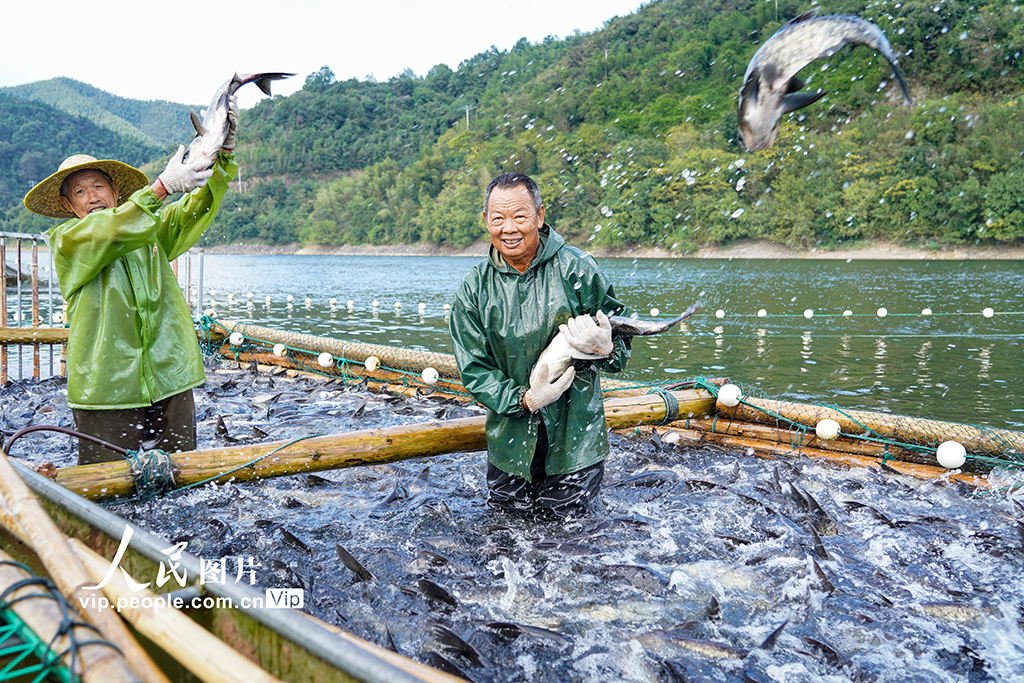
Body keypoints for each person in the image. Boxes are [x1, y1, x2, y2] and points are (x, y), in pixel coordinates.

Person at [23, 100, 240, 465]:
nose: (92, 196)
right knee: (105, 487)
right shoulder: (67, 241)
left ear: (116, 192)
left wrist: (222, 155)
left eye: (98, 186)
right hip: (105, 386)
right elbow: (108, 231)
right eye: (79, 192)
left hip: (169, 375)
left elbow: (196, 206)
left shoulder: (148, 230)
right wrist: (161, 187)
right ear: (67, 205)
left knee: (179, 479)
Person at [449, 172, 631, 519]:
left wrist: (607, 348)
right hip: (509, 446)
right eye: (499, 218)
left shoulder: (578, 270)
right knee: (506, 540)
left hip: (576, 444)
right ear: (486, 221)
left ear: (540, 216)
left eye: (520, 216)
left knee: (571, 543)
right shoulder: (474, 289)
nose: (510, 228)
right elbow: (474, 370)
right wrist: (525, 399)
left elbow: (619, 354)